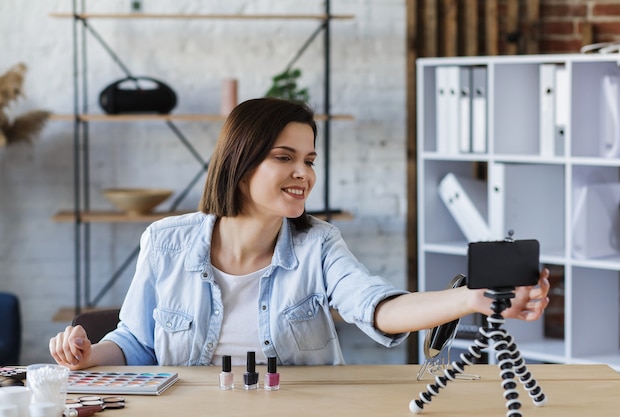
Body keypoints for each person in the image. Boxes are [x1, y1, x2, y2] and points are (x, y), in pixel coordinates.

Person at [49, 97, 550, 369]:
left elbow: (376, 306)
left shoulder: (320, 243)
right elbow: (137, 342)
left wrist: (470, 301)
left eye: (309, 160)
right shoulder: (166, 241)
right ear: (240, 165)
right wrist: (91, 355)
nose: (303, 175)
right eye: (284, 158)